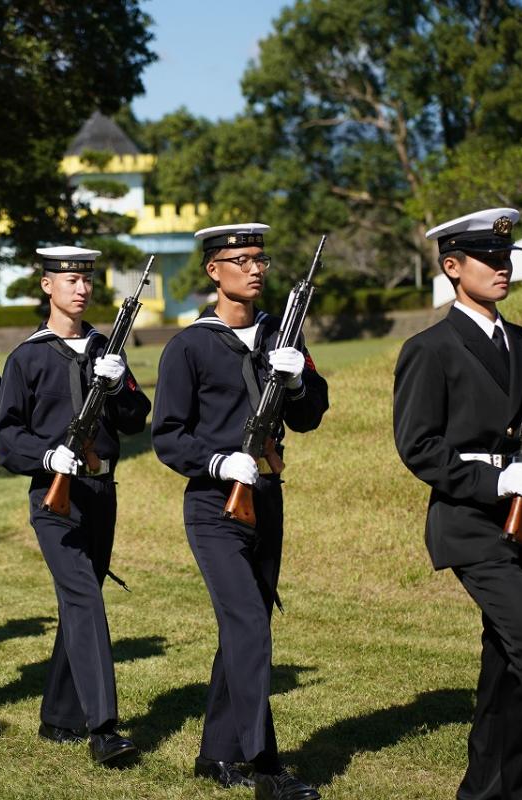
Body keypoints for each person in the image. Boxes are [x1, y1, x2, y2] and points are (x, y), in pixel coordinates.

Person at [393, 208, 522, 800]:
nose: (503, 269)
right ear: (452, 267)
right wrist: (493, 483)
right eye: (489, 260)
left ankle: (482, 792)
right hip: (473, 526)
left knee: (505, 671)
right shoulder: (430, 349)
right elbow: (418, 446)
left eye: (506, 259)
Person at [152, 223, 329, 797]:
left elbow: (308, 415)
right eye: (242, 259)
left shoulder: (282, 334)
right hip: (214, 506)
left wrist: (299, 381)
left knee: (243, 630)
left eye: (261, 259)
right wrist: (220, 463)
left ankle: (216, 754)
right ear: (214, 271)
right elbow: (167, 438)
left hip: (268, 501)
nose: (255, 268)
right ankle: (265, 768)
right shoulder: (189, 346)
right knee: (249, 624)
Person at [0, 246, 150, 766]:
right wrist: (48, 454)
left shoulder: (106, 348)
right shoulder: (27, 357)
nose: (81, 289)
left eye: (86, 281)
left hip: (101, 491)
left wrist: (117, 384)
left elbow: (135, 419)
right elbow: (8, 438)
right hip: (53, 496)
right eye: (69, 281)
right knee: (86, 599)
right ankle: (103, 726)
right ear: (46, 286)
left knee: (77, 604)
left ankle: (58, 715)